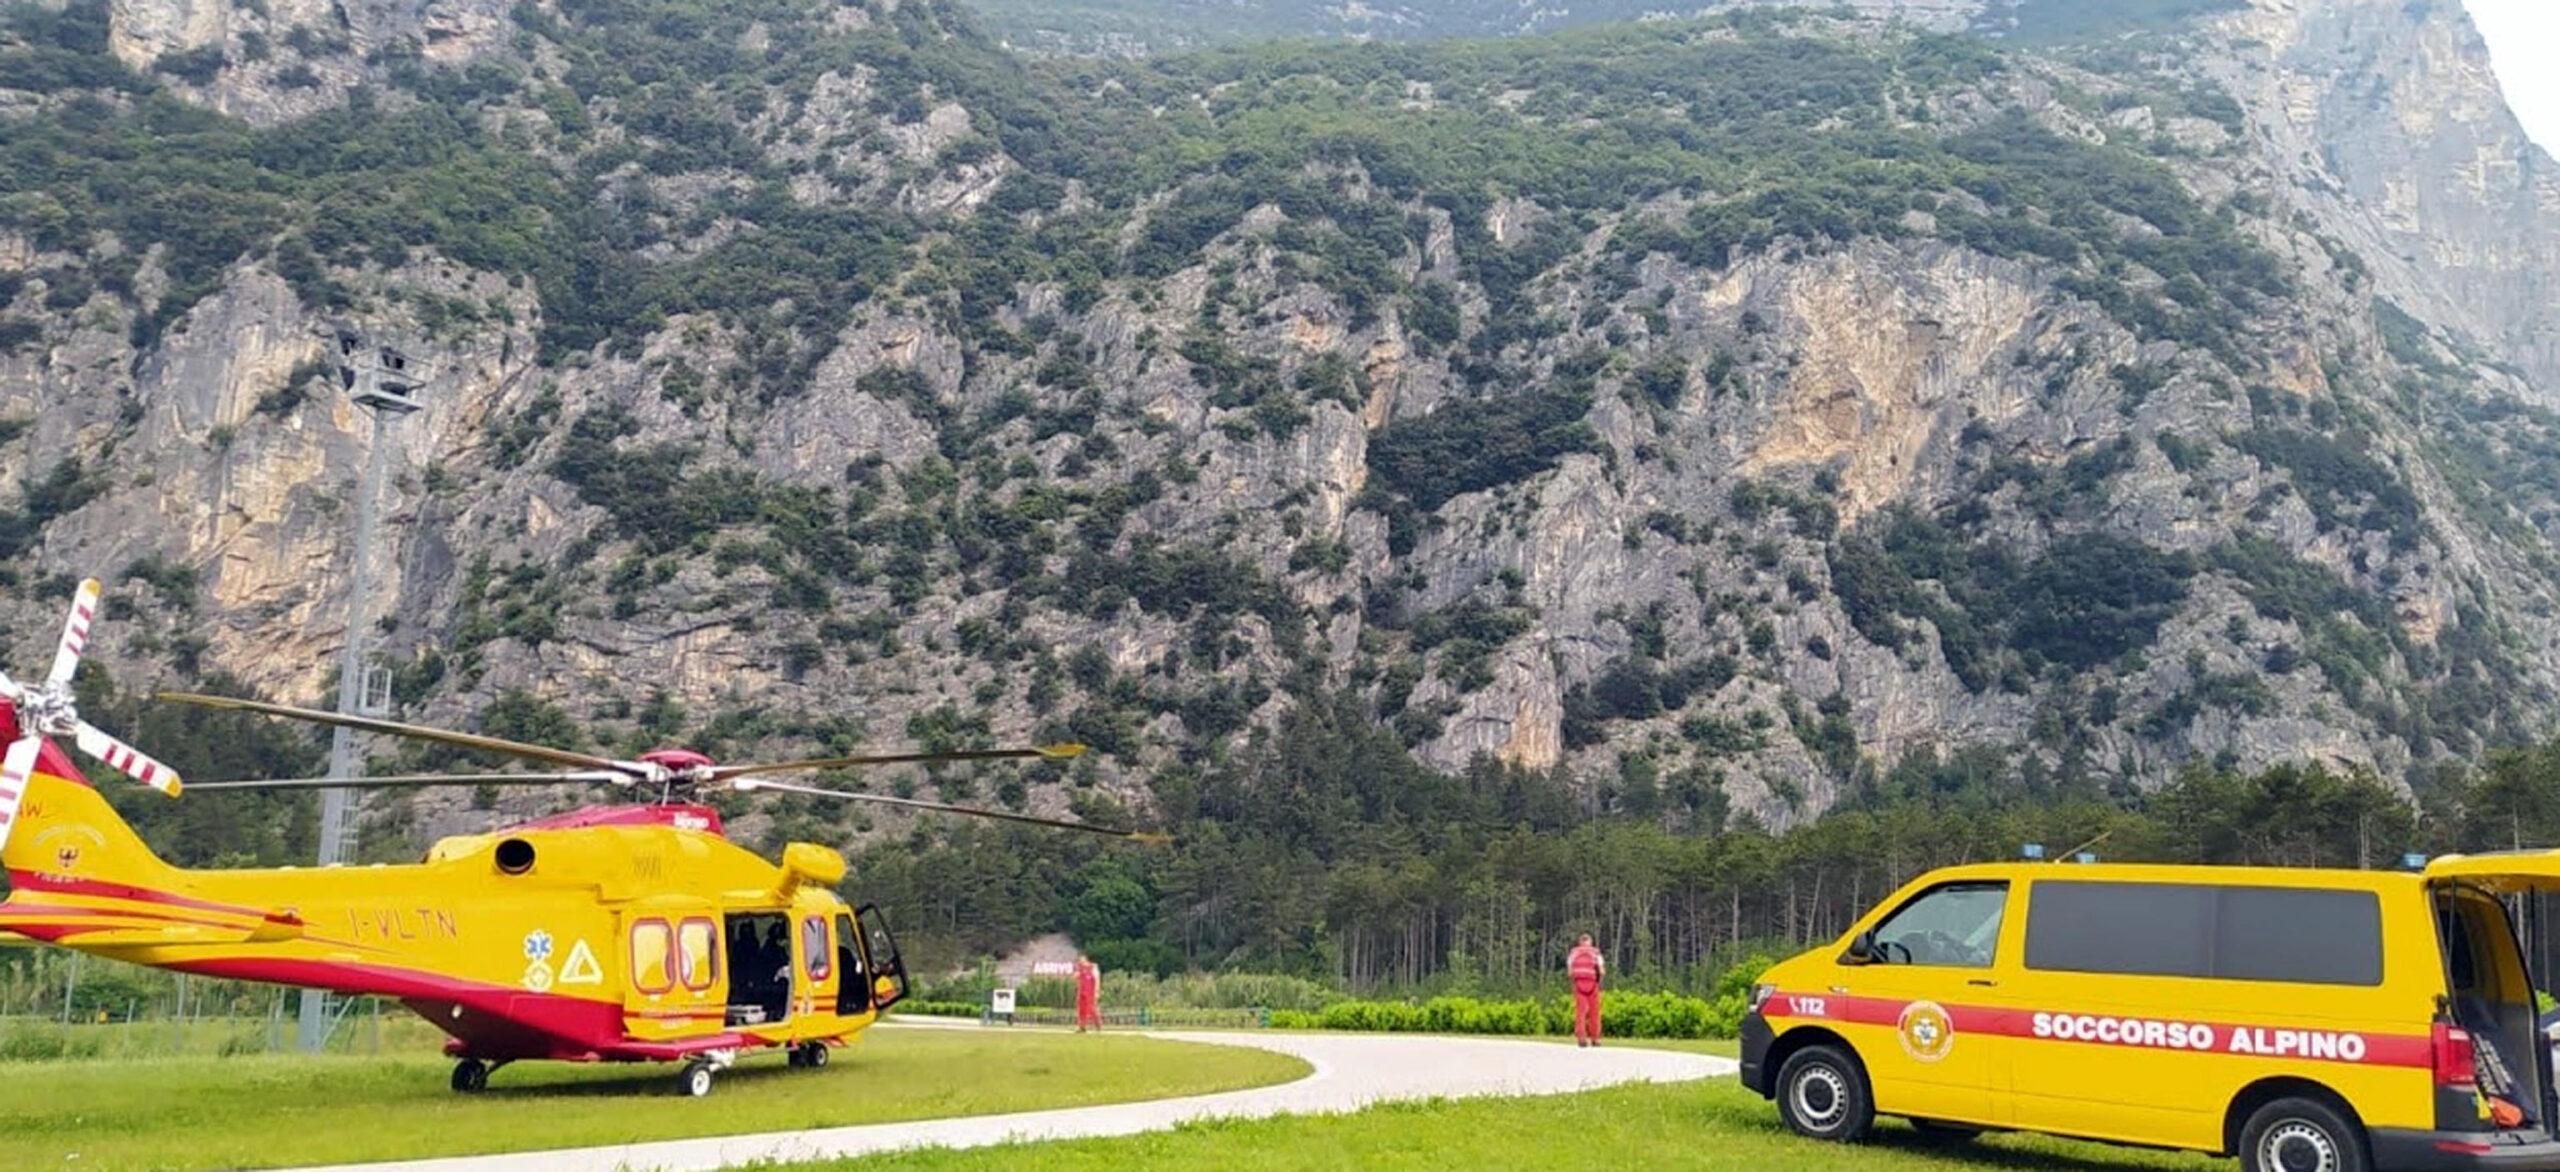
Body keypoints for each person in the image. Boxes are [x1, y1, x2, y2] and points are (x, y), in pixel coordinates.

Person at [1567, 933, 1606, 1047]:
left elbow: (1570, 973)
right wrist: (1599, 982)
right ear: (1591, 942)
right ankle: (1595, 1039)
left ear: (1580, 942)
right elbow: (1602, 971)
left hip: (1579, 985)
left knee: (1581, 1013)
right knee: (1595, 1012)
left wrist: (1573, 983)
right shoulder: (1595, 952)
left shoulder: (1574, 952)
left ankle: (1581, 1038)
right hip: (1593, 985)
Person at [1073, 953, 1102, 1032]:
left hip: (1091, 991)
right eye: (1079, 960)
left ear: (1085, 959)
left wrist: (1097, 991)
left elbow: (1097, 979)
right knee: (1081, 1010)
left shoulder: (1093, 967)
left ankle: (1098, 1025)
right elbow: (1076, 976)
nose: (1080, 961)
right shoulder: (1079, 968)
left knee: (1092, 1008)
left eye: (1081, 959)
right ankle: (1082, 1027)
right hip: (1082, 991)